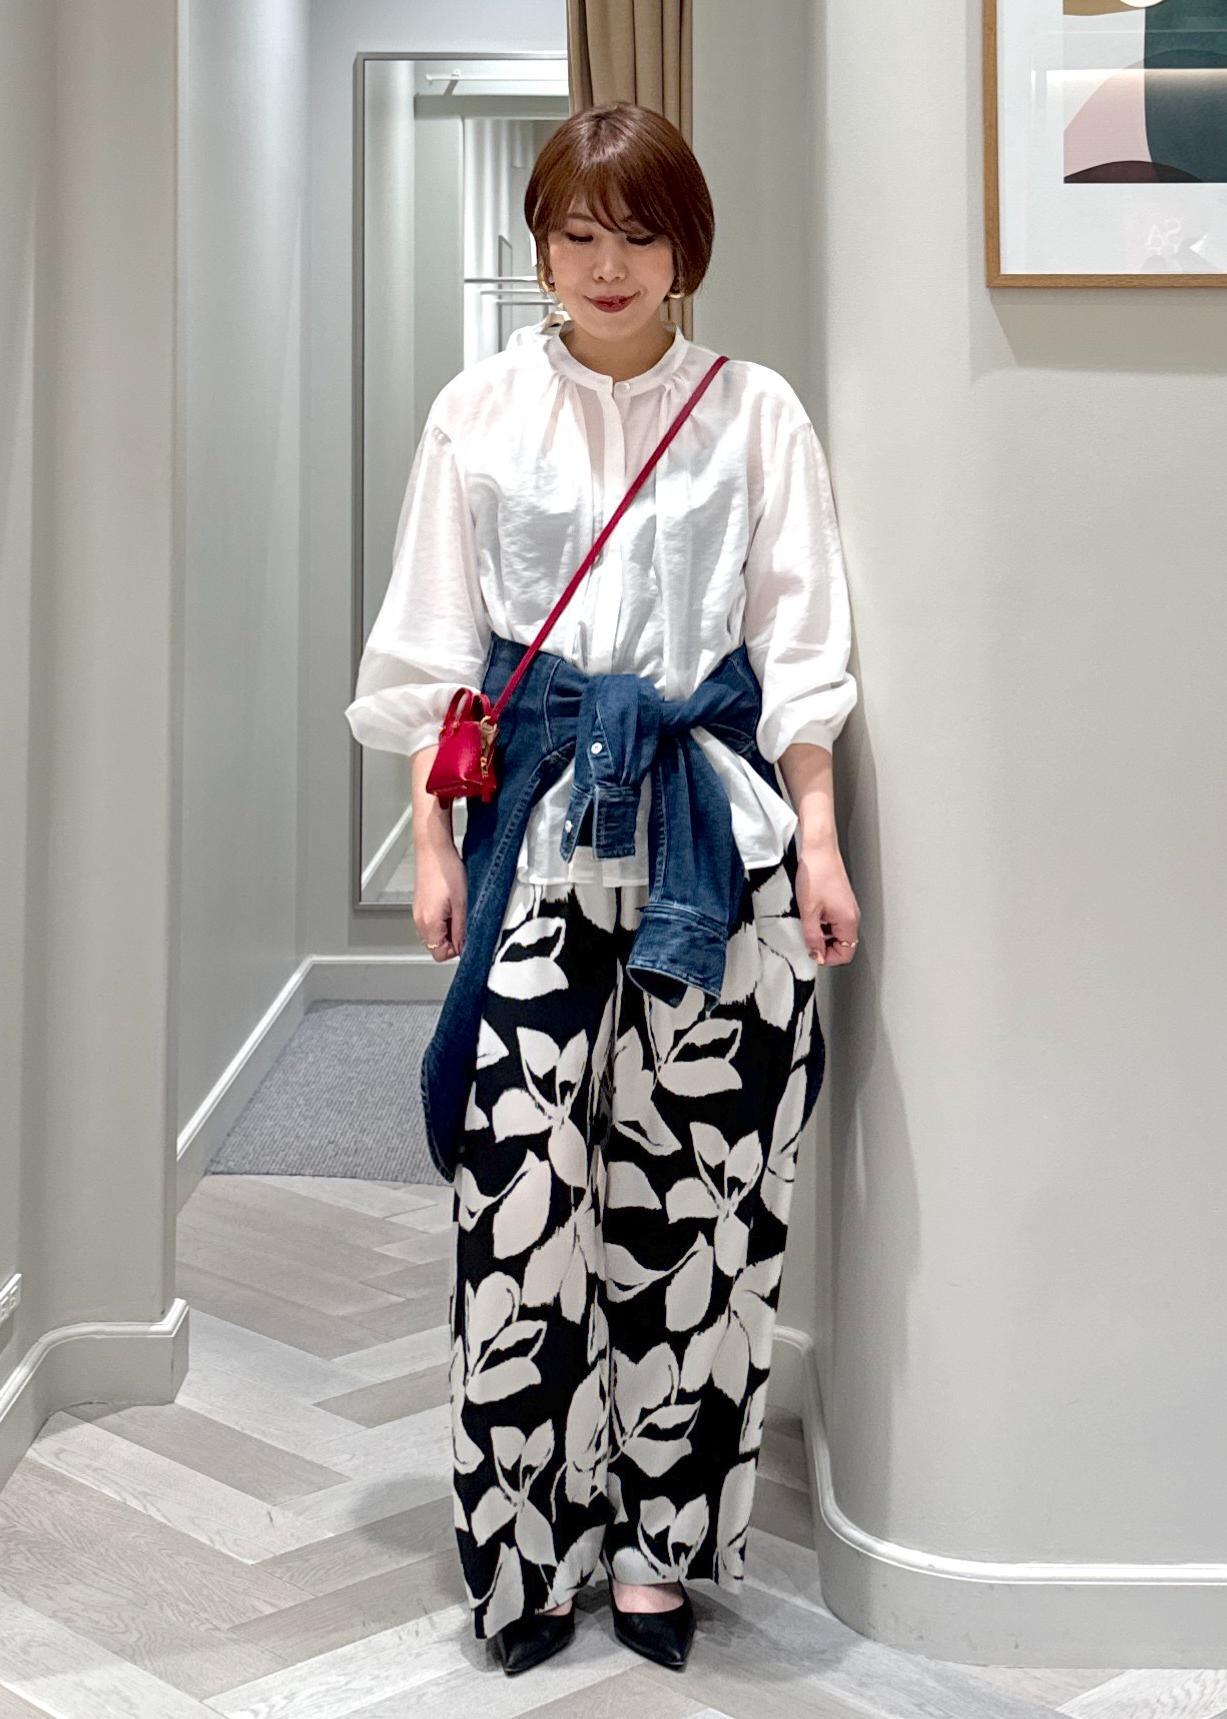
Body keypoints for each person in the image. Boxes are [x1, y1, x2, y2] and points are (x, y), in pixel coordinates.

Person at [344, 101, 860, 1677]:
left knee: (696, 1200)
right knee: (521, 1198)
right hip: (544, 835)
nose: (609, 263)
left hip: (717, 837)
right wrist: (432, 841)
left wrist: (821, 837)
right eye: (578, 232)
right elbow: (437, 650)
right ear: (542, 246)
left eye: (640, 234)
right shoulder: (481, 411)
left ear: (686, 246)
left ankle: (658, 1546)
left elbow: (800, 641)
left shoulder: (754, 410)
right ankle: (528, 1544)